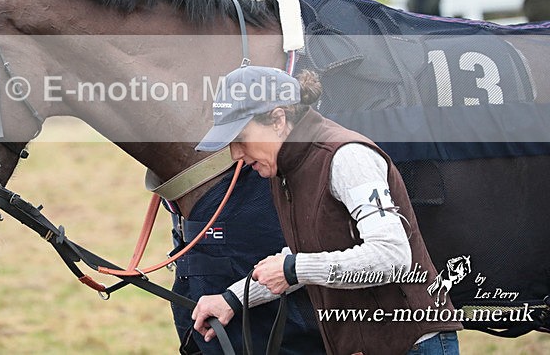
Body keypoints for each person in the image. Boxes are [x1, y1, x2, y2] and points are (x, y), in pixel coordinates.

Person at [191, 65, 461, 355]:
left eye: (241, 138)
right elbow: (313, 251)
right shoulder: (287, 166)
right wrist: (234, 298)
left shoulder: (347, 157)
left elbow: (392, 256)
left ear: (278, 119)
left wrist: (295, 269)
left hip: (412, 344)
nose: (236, 155)